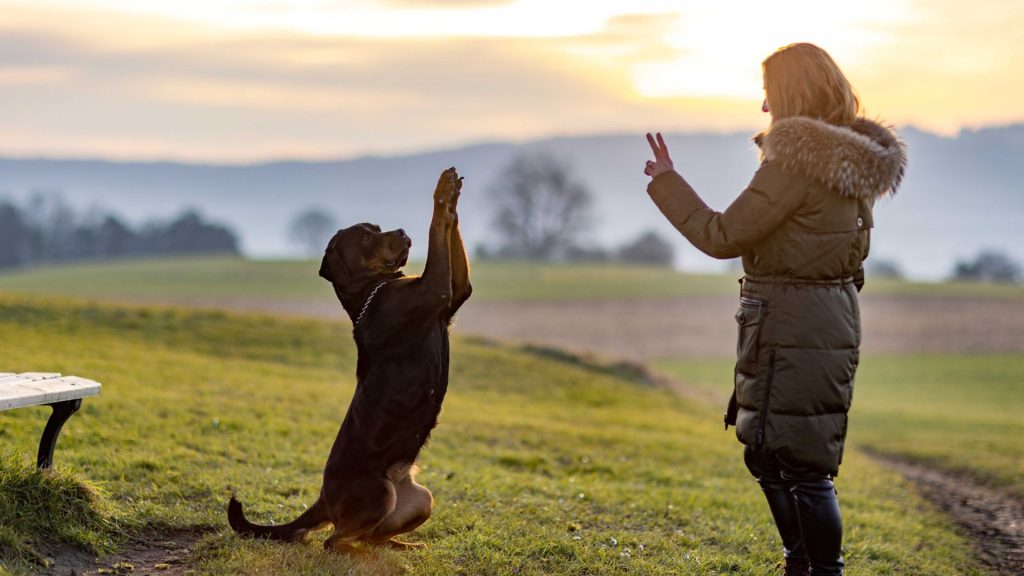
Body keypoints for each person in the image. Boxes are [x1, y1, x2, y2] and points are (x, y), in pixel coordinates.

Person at [642, 43, 906, 575]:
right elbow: (852, 254)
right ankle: (801, 561)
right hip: (820, 319)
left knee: (804, 467)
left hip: (791, 326)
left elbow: (722, 235)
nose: (764, 108)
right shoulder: (849, 161)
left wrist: (667, 183)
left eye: (768, 95)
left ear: (788, 94)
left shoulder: (795, 163)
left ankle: (815, 568)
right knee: (767, 453)